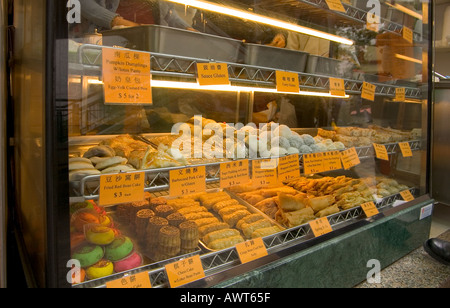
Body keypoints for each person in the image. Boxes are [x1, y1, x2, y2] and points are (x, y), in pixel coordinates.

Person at [78, 0, 195, 34]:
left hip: (150, 46)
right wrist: (115, 21)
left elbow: (169, 12)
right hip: (110, 40)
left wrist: (186, 28)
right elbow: (82, 3)